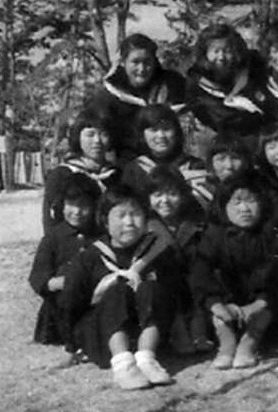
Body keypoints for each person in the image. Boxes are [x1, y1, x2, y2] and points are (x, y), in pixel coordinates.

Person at [61, 187, 177, 390]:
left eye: (136, 214)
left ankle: (146, 360)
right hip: (104, 335)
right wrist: (72, 344)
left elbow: (176, 294)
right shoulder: (89, 257)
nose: (129, 222)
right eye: (121, 215)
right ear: (105, 221)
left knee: (151, 288)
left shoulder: (159, 251)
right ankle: (123, 365)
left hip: (151, 335)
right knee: (118, 289)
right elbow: (71, 302)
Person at [190, 176, 278, 369]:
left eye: (251, 201)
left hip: (264, 304)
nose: (244, 209)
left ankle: (248, 344)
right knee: (215, 312)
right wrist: (216, 304)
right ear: (224, 206)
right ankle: (227, 345)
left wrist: (258, 304)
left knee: (266, 312)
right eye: (236, 202)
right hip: (227, 301)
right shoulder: (214, 235)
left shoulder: (272, 233)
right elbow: (201, 273)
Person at [29, 173, 102, 354]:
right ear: (61, 205)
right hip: (61, 305)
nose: (77, 212)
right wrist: (66, 282)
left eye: (84, 205)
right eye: (71, 205)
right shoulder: (53, 238)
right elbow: (38, 278)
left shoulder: (100, 235)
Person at [143, 166, 212, 354]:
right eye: (157, 195)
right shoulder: (145, 226)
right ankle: (178, 330)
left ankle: (199, 329)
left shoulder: (197, 221)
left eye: (172, 194)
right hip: (165, 287)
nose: (164, 201)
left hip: (194, 285)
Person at [87, 33, 187, 162]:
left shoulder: (173, 86)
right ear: (123, 62)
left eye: (147, 62)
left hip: (173, 161)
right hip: (128, 164)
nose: (142, 69)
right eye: (135, 62)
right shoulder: (108, 98)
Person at [185, 24, 269, 143]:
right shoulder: (196, 82)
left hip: (264, 133)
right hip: (224, 138)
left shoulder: (253, 66)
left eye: (227, 51)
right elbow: (207, 116)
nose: (221, 57)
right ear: (205, 53)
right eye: (216, 51)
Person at [120, 104, 212, 210]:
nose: (161, 135)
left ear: (176, 132)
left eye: (166, 129)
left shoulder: (196, 167)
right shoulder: (135, 170)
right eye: (154, 130)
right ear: (142, 135)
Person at [43, 109, 119, 233]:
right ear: (78, 137)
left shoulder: (117, 175)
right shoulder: (62, 175)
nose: (97, 141)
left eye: (103, 134)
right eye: (90, 135)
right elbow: (51, 221)